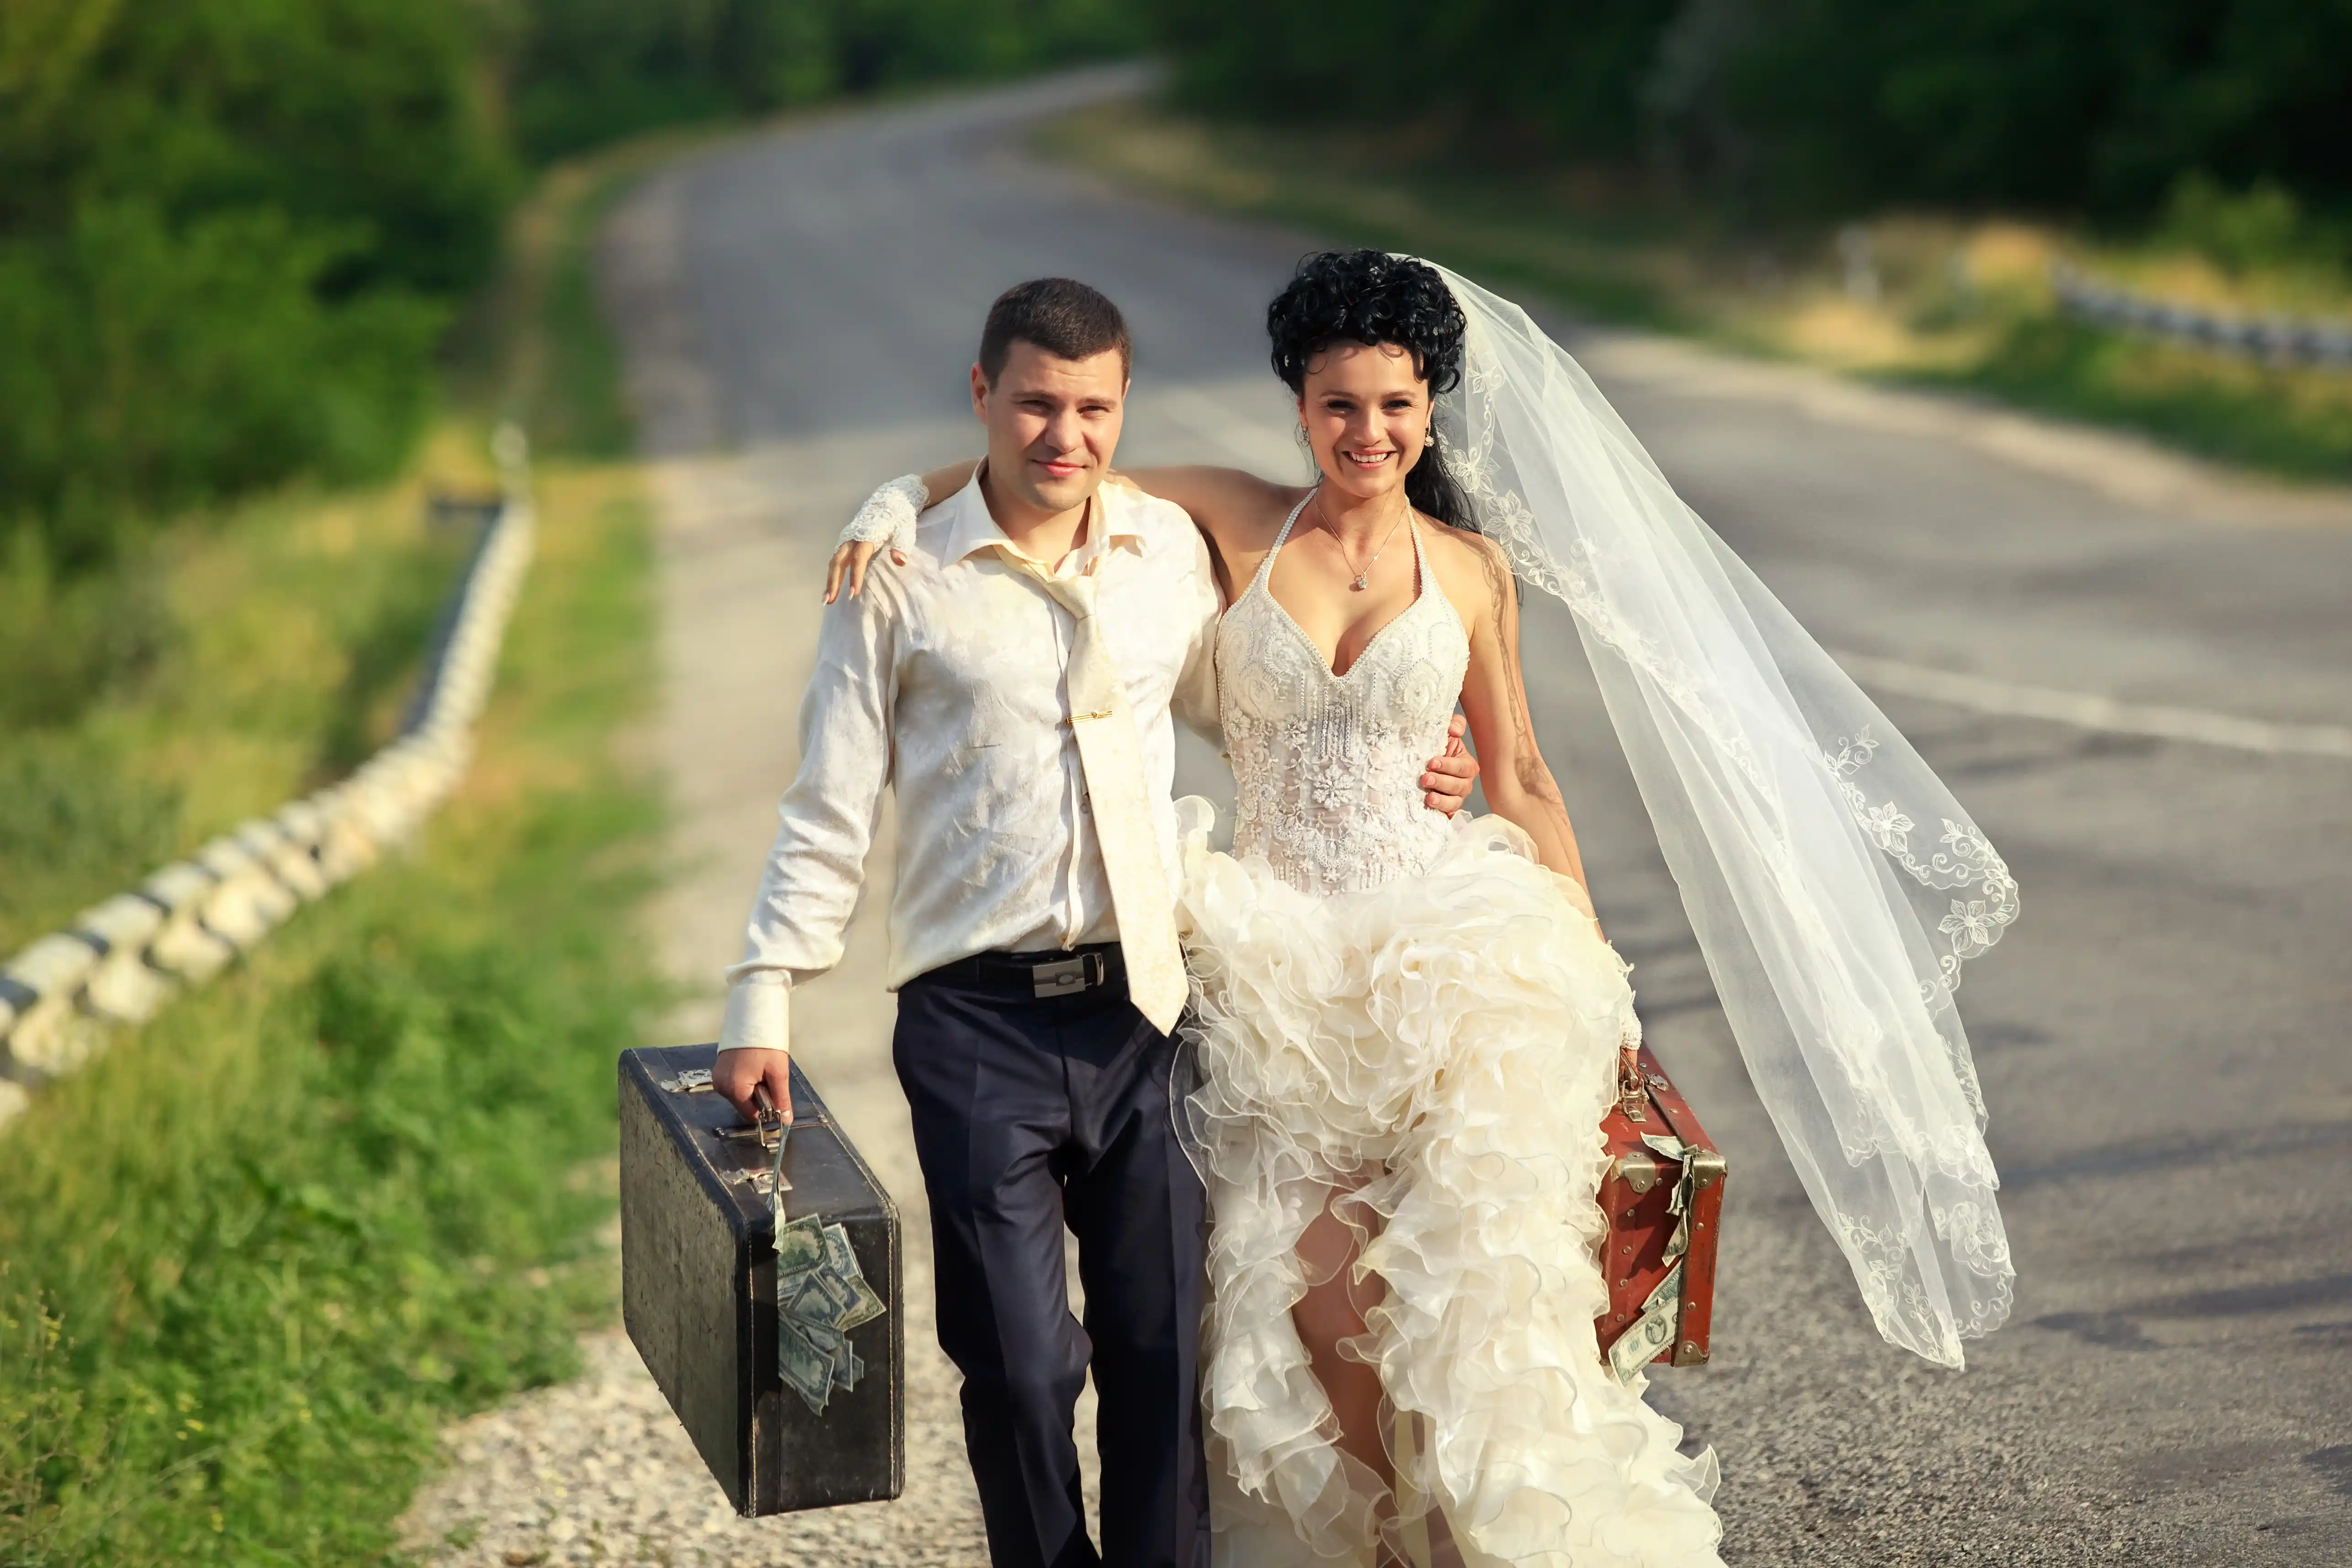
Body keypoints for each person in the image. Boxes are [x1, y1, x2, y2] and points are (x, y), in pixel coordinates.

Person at [832, 251, 2021, 1567]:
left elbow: (1518, 776)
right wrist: (893, 500)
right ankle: (1374, 1548)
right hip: (1276, 968)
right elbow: (1036, 482)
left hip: (1446, 963)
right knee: (1313, 1309)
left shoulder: (1467, 570)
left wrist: (1599, 992)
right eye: (1341, 406)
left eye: (1395, 406)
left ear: (1431, 411)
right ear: (1298, 407)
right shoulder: (1232, 520)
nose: (1368, 434)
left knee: (1464, 1314)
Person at [710, 276, 1481, 1568]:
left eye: (1092, 409)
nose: (1063, 437)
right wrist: (759, 1001)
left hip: (1149, 1011)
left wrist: (1420, 748)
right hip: (973, 1024)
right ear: (982, 399)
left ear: (1120, 409)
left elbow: (1253, 711)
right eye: (1034, 406)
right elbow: (826, 808)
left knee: (1157, 1359)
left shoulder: (1168, 553)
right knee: (1017, 1365)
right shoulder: (896, 575)